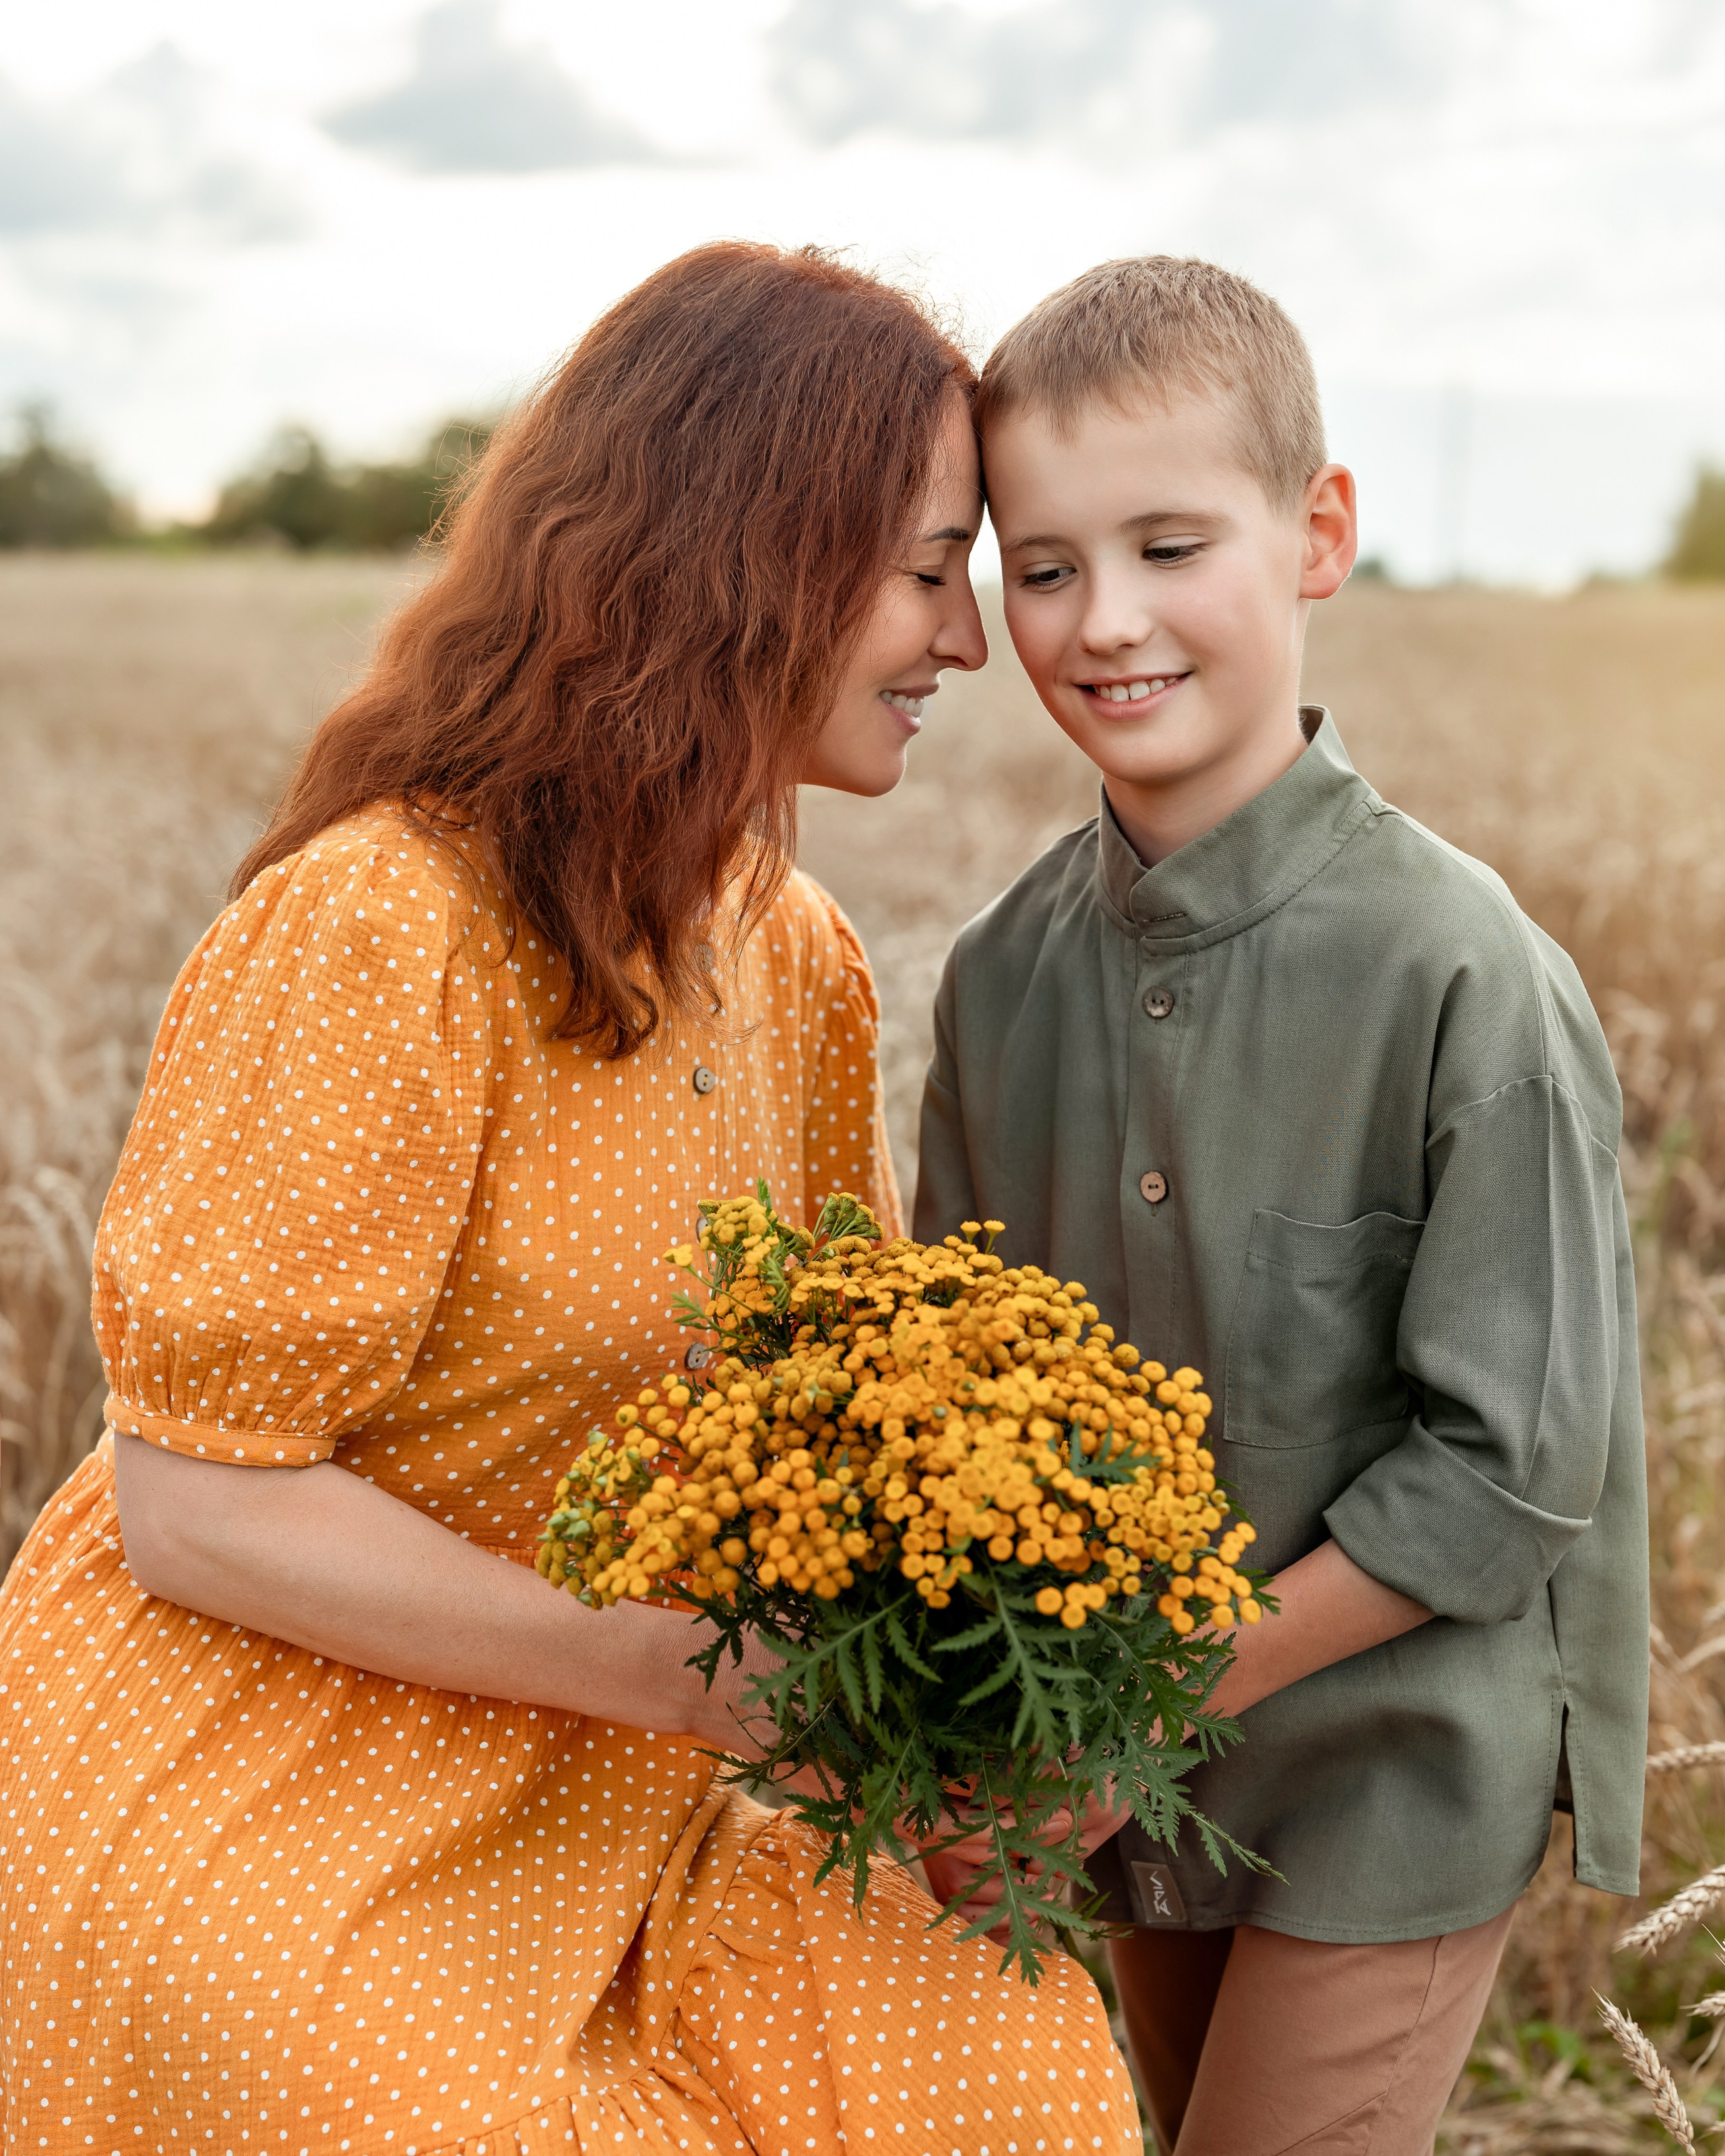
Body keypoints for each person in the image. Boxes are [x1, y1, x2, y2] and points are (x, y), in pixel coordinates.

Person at [0, 244, 1143, 2156]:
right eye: (929, 566)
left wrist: (983, 1707)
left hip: (617, 1795)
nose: (968, 639)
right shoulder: (386, 928)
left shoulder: (798, 960)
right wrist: (681, 1682)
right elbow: (198, 1509)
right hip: (262, 1775)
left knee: (1000, 2069)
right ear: (747, 554)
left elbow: (819, 1440)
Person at [914, 256, 1648, 2155]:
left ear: (1317, 535)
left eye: (1171, 545)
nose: (1106, 620)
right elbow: (958, 1389)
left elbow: (1505, 1477)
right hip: (1105, 1779)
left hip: (1387, 1774)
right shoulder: (1001, 979)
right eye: (1049, 564)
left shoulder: (1464, 976)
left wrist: (1138, 1704)